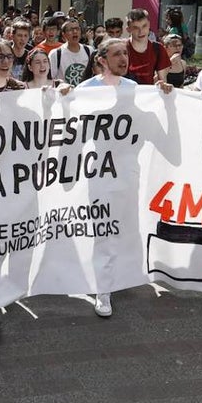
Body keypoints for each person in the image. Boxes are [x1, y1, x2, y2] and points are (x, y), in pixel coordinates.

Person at [74, 38, 173, 317]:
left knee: (126, 225)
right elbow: (73, 131)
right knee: (103, 227)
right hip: (97, 171)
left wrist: (165, 98)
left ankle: (119, 274)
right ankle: (102, 289)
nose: (124, 59)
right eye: (117, 54)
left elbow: (150, 124)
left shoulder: (135, 90)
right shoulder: (85, 90)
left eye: (125, 54)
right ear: (101, 59)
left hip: (129, 170)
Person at [125, 9, 170, 84]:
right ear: (128, 29)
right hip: (125, 94)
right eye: (136, 28)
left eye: (144, 26)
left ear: (149, 25)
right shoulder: (121, 48)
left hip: (147, 94)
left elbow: (162, 80)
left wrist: (161, 85)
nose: (141, 31)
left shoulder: (158, 49)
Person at [49, 19, 93, 86]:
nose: (75, 32)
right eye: (71, 30)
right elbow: (49, 79)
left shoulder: (89, 51)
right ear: (64, 34)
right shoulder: (55, 54)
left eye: (77, 29)